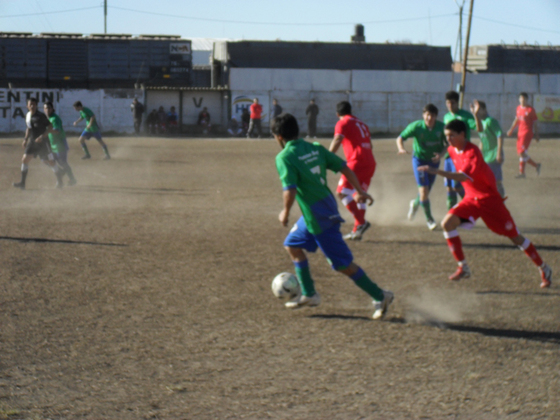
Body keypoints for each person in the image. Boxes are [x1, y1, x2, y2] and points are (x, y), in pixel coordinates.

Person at [272, 112, 394, 319]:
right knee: (292, 244)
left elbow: (289, 189)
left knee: (342, 265)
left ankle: (380, 295)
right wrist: (360, 190)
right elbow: (344, 167)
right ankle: (309, 294)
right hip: (321, 209)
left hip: (319, 217)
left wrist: (285, 211)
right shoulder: (315, 147)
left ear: (278, 137)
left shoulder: (284, 157)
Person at [418, 120, 552, 288]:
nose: (449, 139)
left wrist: (436, 171)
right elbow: (450, 150)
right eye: (446, 136)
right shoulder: (452, 149)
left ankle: (544, 268)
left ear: (462, 135)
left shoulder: (472, 153)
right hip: (471, 200)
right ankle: (463, 267)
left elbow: (462, 176)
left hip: (490, 200)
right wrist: (440, 154)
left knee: (515, 237)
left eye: (452, 135)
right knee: (448, 224)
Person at [329, 101, 376, 240]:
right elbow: (370, 145)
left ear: (338, 114)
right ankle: (357, 230)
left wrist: (328, 157)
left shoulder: (342, 122)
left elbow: (338, 138)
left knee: (341, 193)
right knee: (359, 195)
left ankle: (361, 222)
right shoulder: (362, 124)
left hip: (356, 162)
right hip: (370, 162)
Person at [396, 104, 447, 230]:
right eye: (427, 115)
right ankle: (429, 219)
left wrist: (441, 154)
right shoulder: (416, 126)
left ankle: (414, 203)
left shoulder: (442, 128)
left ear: (436, 116)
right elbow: (400, 138)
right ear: (423, 115)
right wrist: (401, 148)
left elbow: (448, 144)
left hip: (434, 162)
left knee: (425, 192)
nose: (429, 118)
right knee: (424, 191)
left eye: (432, 115)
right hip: (419, 161)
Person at [13, 98, 64, 190]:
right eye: (30, 104)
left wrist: (42, 136)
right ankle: (22, 183)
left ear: (36, 106)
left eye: (34, 104)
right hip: (32, 142)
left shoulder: (41, 116)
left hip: (43, 143)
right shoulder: (28, 115)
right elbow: (28, 128)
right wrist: (25, 139)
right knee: (24, 159)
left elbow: (50, 127)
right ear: (27, 106)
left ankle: (60, 180)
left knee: (50, 162)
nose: (32, 106)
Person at [443, 91, 476, 209]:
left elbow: (477, 127)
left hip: (461, 155)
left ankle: (472, 204)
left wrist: (475, 115)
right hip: (449, 155)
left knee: (458, 186)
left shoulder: (466, 116)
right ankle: (450, 213)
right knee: (449, 187)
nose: (450, 105)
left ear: (458, 103)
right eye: (448, 103)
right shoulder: (446, 117)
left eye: (452, 103)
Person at [470, 100, 506, 197]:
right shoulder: (480, 123)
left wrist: (498, 153)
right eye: (475, 110)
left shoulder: (491, 121)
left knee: (496, 181)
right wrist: (478, 154)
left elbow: (500, 135)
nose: (476, 112)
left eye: (479, 110)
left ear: (484, 109)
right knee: (487, 181)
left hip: (493, 156)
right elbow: (482, 139)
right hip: (486, 157)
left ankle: (501, 201)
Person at [506, 92, 541, 178]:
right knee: (522, 153)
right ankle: (525, 171)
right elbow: (516, 121)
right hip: (520, 133)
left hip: (527, 133)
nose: (522, 100)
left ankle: (528, 170)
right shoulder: (518, 108)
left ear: (526, 99)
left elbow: (535, 123)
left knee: (521, 152)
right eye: (520, 98)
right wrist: (511, 129)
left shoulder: (530, 110)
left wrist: (537, 134)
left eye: (524, 99)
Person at [44, 101, 77, 186]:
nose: (47, 110)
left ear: (52, 109)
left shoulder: (55, 118)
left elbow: (57, 130)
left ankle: (72, 179)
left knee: (62, 162)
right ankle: (61, 172)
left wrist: (46, 132)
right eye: (45, 108)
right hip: (52, 144)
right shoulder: (48, 118)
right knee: (47, 160)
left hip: (60, 144)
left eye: (49, 108)